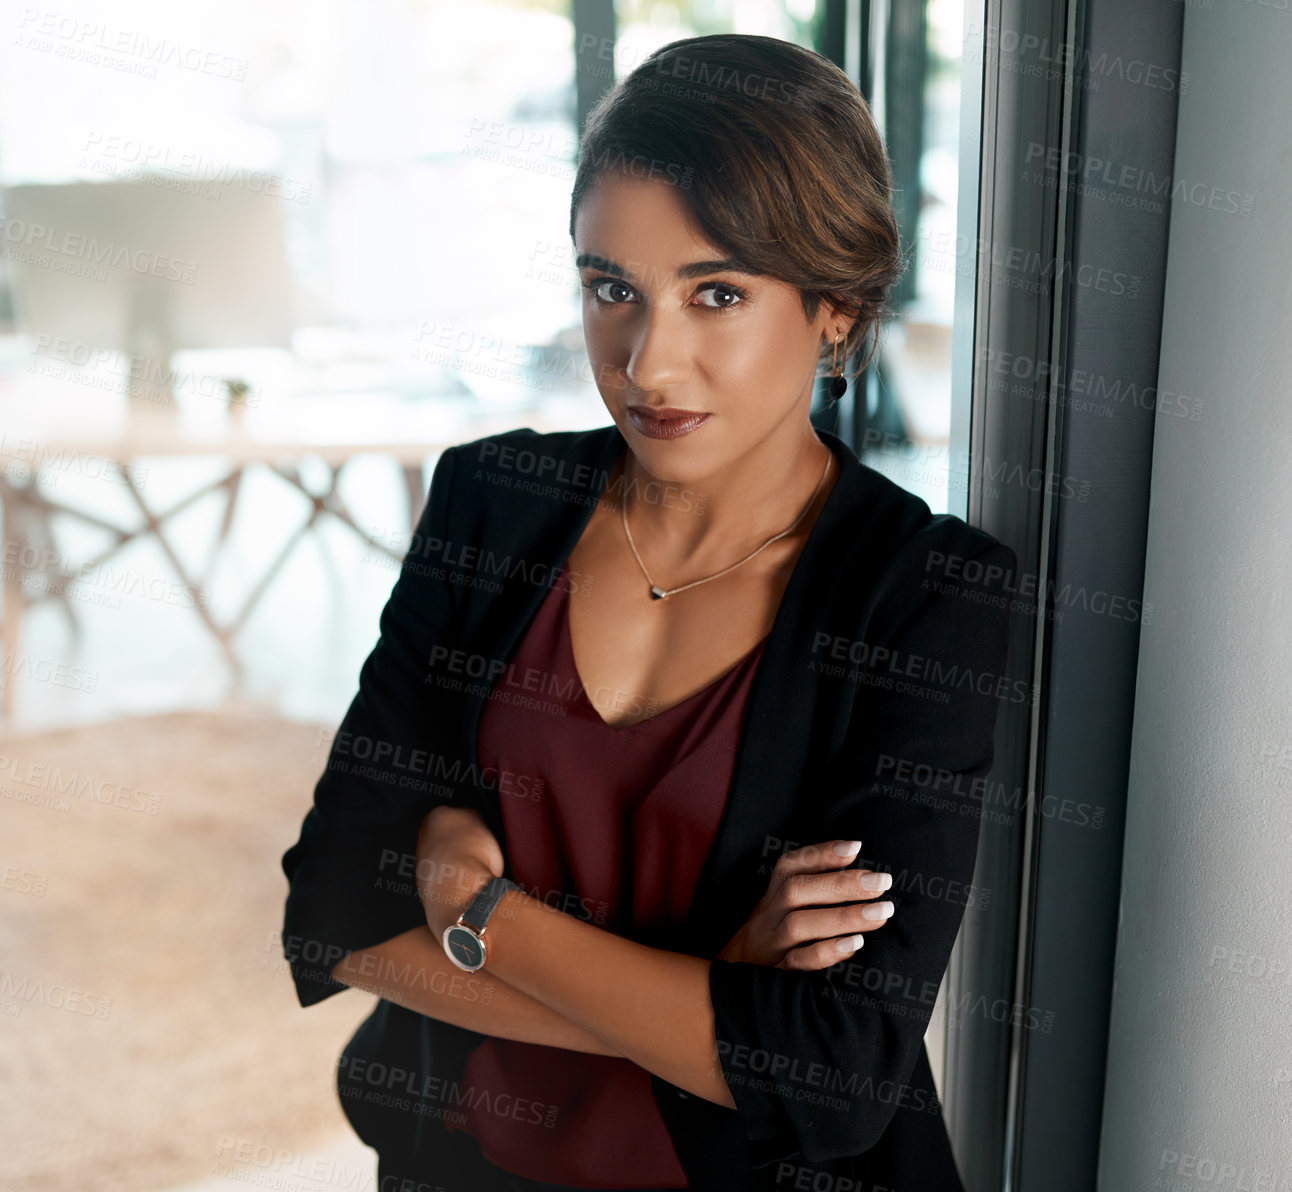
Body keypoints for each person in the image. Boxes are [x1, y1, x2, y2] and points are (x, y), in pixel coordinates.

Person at [281, 33, 1019, 1192]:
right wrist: (713, 987)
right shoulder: (493, 500)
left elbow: (831, 1075)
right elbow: (331, 910)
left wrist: (477, 910)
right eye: (609, 288)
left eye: (715, 292)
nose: (644, 361)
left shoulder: (924, 596)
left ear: (833, 306)